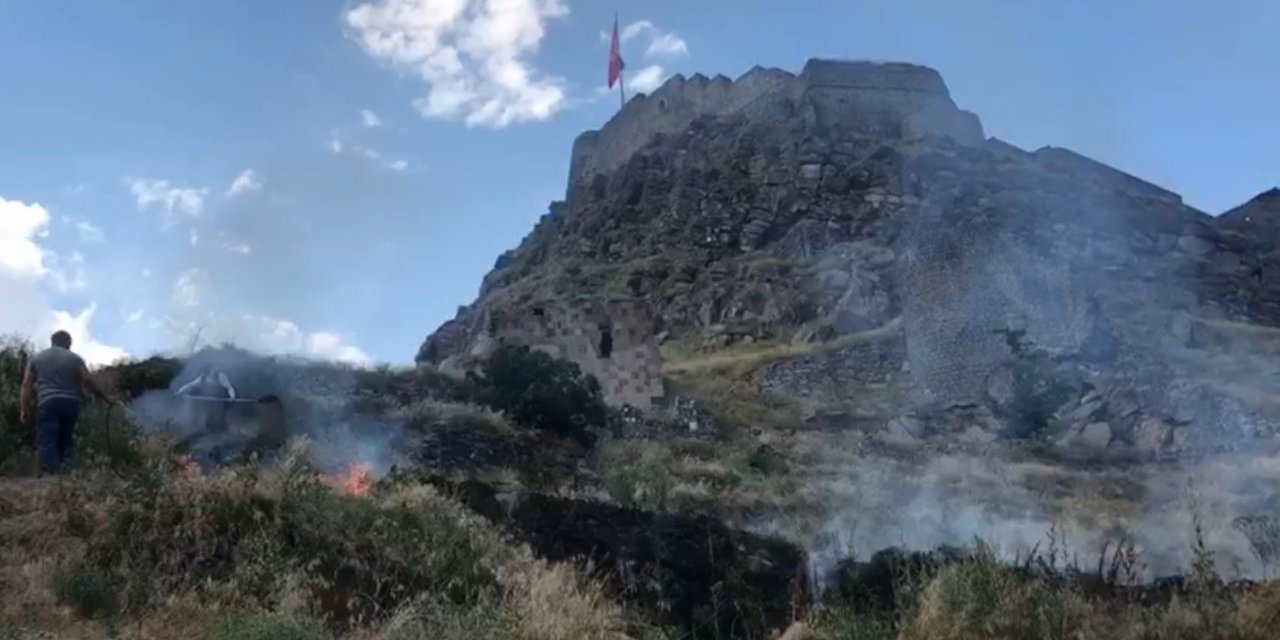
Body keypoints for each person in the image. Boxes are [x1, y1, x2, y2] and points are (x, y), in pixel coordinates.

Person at [19, 330, 115, 476]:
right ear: (68, 343)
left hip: (48, 402)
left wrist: (24, 410)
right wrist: (106, 399)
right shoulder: (76, 359)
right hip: (70, 404)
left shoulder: (37, 358)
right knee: (66, 439)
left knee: (48, 439)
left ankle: (50, 477)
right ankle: (66, 475)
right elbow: (88, 381)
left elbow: (26, 385)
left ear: (52, 342)